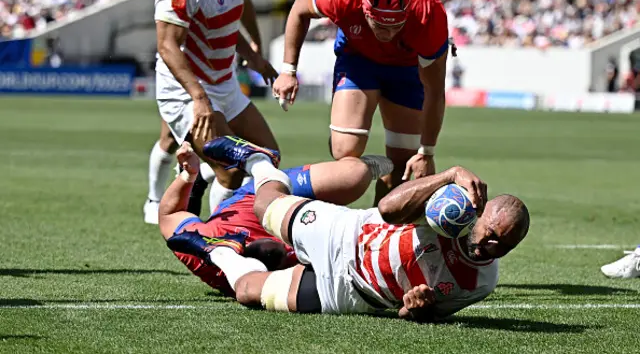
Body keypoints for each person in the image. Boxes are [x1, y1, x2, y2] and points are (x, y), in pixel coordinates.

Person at [169, 136, 530, 321]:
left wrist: (416, 307)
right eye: (491, 231)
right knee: (265, 206)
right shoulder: (451, 209)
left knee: (249, 291)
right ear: (481, 213)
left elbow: (420, 314)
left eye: (503, 244)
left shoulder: (481, 283)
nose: (491, 243)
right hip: (347, 233)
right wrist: (449, 174)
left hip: (351, 294)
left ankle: (219, 248)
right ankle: (259, 161)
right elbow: (388, 209)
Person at [128, 0, 267, 224]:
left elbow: (239, 5)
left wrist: (254, 50)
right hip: (185, 73)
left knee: (260, 157)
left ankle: (203, 179)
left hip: (219, 72)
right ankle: (161, 201)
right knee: (181, 144)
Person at [271, 0, 451, 204]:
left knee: (405, 168)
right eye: (380, 25)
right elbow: (299, 9)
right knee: (344, 151)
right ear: (364, 10)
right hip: (358, 60)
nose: (388, 34)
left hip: (407, 70)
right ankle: (370, 168)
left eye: (396, 26)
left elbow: (435, 91)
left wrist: (427, 151)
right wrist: (288, 71)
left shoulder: (428, 12)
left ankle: (380, 231)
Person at [159, 141, 393, 295]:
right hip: (311, 230)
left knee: (354, 175)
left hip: (254, 200)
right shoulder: (280, 278)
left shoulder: (202, 248)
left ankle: (259, 164)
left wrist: (188, 177)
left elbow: (168, 214)